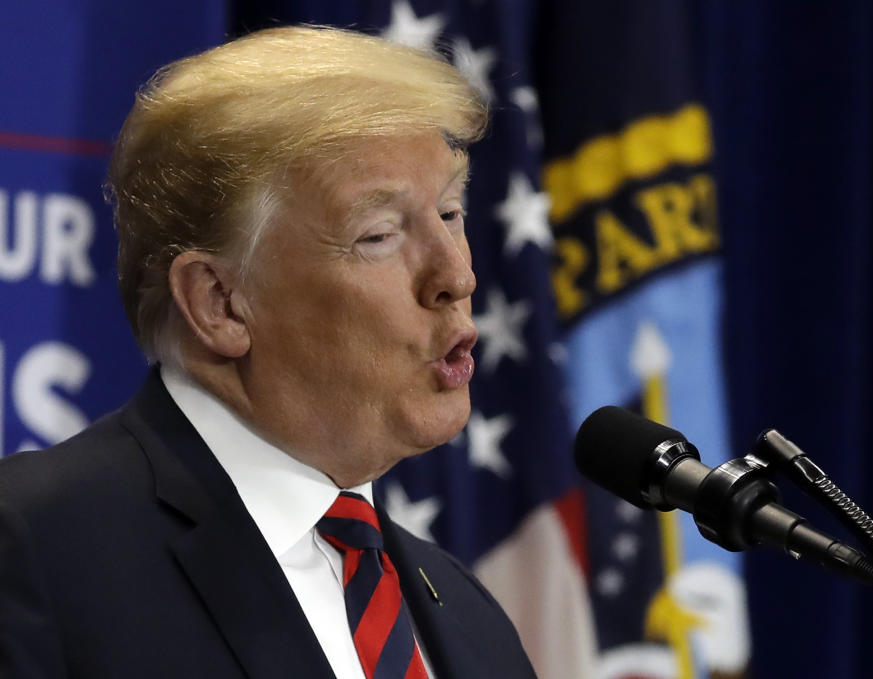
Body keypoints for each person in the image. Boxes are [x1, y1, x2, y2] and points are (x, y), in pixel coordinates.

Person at [0, 26, 538, 679]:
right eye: (379, 234)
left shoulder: (466, 613)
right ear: (219, 302)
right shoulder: (32, 548)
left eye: (449, 214)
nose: (455, 275)